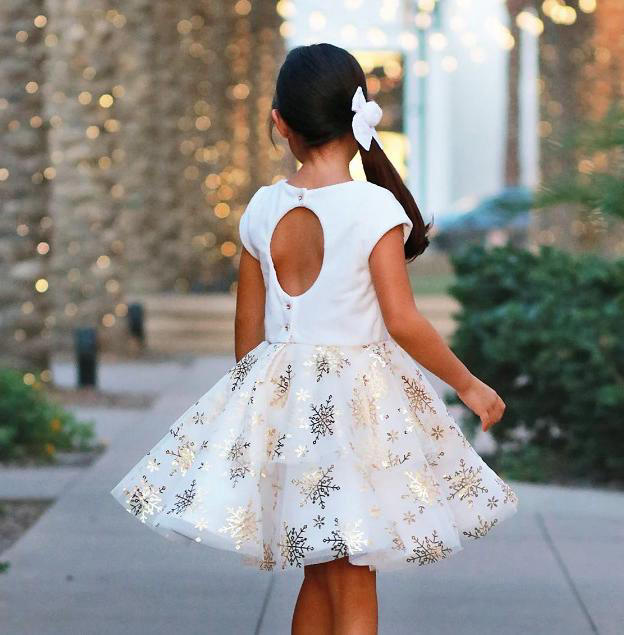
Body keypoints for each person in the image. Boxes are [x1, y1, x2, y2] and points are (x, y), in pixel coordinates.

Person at [110, 42, 518, 635]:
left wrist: (264, 417)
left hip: (287, 410)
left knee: (320, 572)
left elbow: (247, 339)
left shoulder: (262, 208)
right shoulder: (372, 207)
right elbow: (402, 321)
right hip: (358, 410)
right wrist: (469, 385)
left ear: (280, 123)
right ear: (358, 117)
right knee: (353, 578)